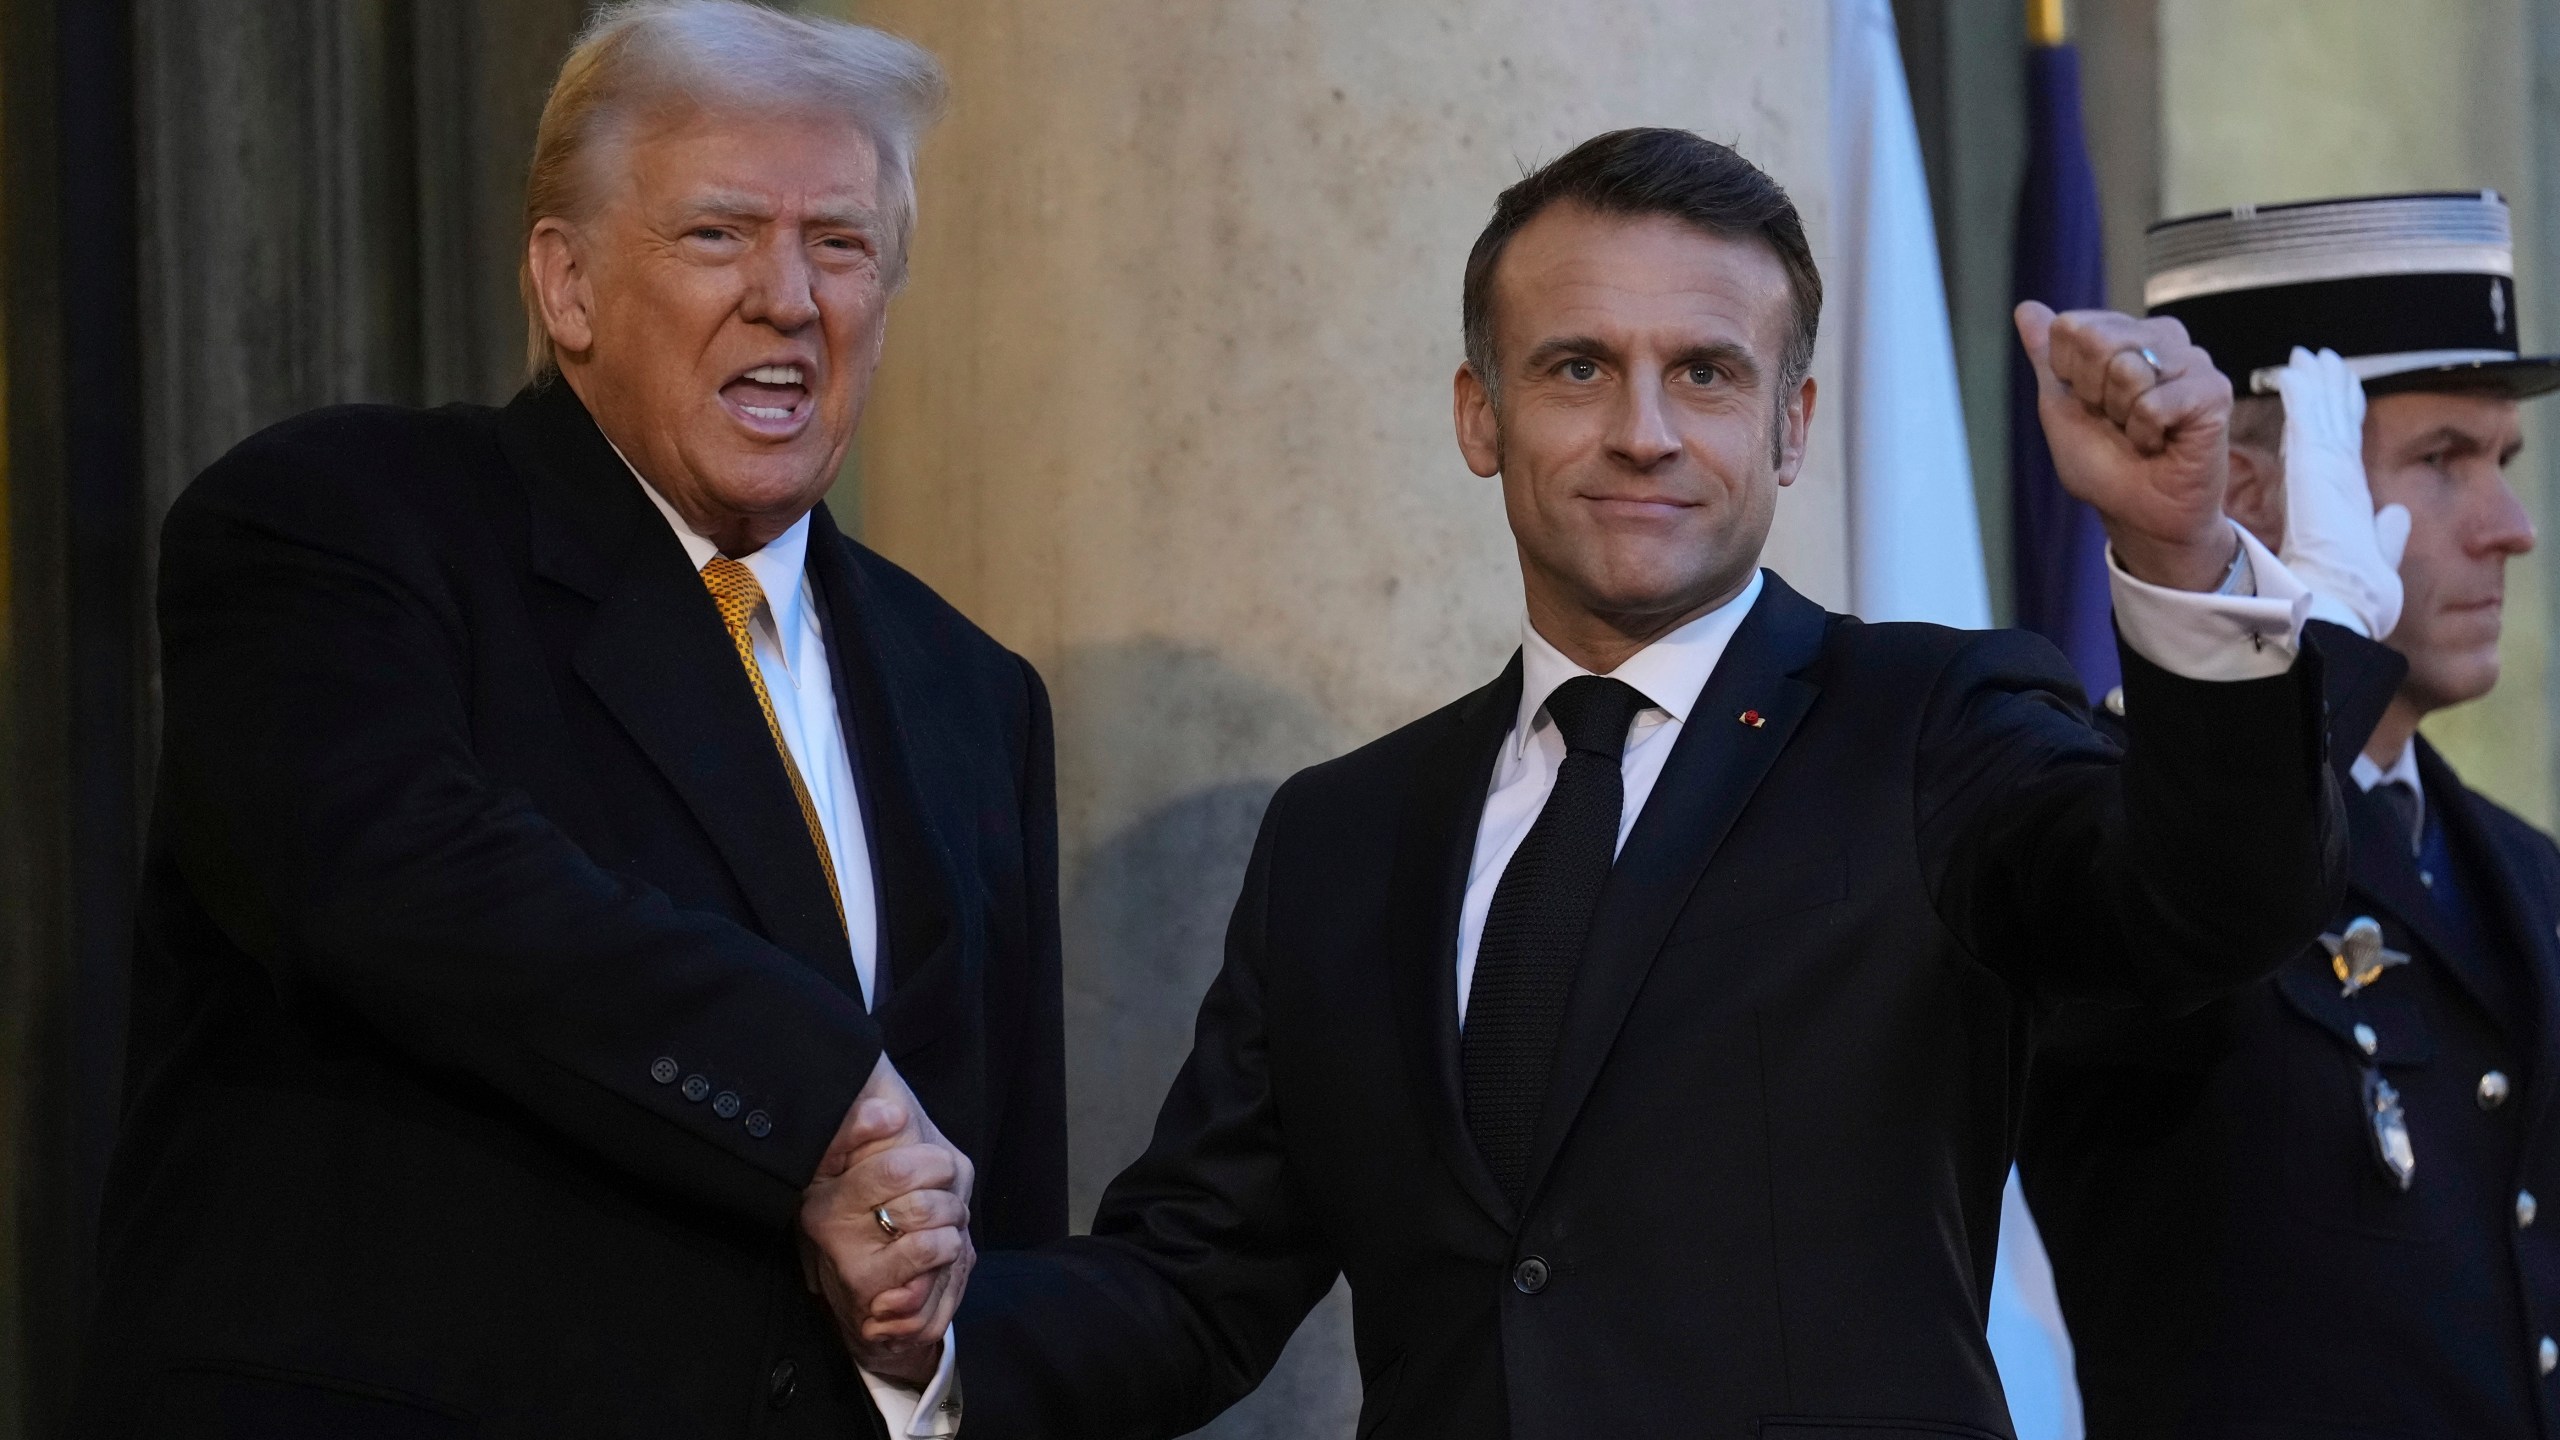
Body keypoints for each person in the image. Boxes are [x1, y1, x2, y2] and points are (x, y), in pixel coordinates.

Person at [849, 127, 2344, 1438]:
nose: (1643, 429)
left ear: (1792, 426)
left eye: (1705, 372)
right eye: (1579, 367)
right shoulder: (1344, 835)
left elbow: (2205, 911)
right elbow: (1197, 1282)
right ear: (1480, 416)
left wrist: (2177, 558)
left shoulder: (1936, 725)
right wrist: (930, 1343)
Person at [75, 4, 1035, 1436]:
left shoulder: (975, 693)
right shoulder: (339, 523)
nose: (789, 296)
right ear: (566, 284)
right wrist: (823, 1101)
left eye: (839, 244)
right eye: (719, 234)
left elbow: (979, 1198)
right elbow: (400, 877)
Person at [2020, 189, 2560, 1439]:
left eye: (2503, 463)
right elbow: (2208, 891)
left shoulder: (2517, 873)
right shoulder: (2105, 836)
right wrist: (2291, 654)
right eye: (2441, 461)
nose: (2511, 528)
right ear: (2254, 492)